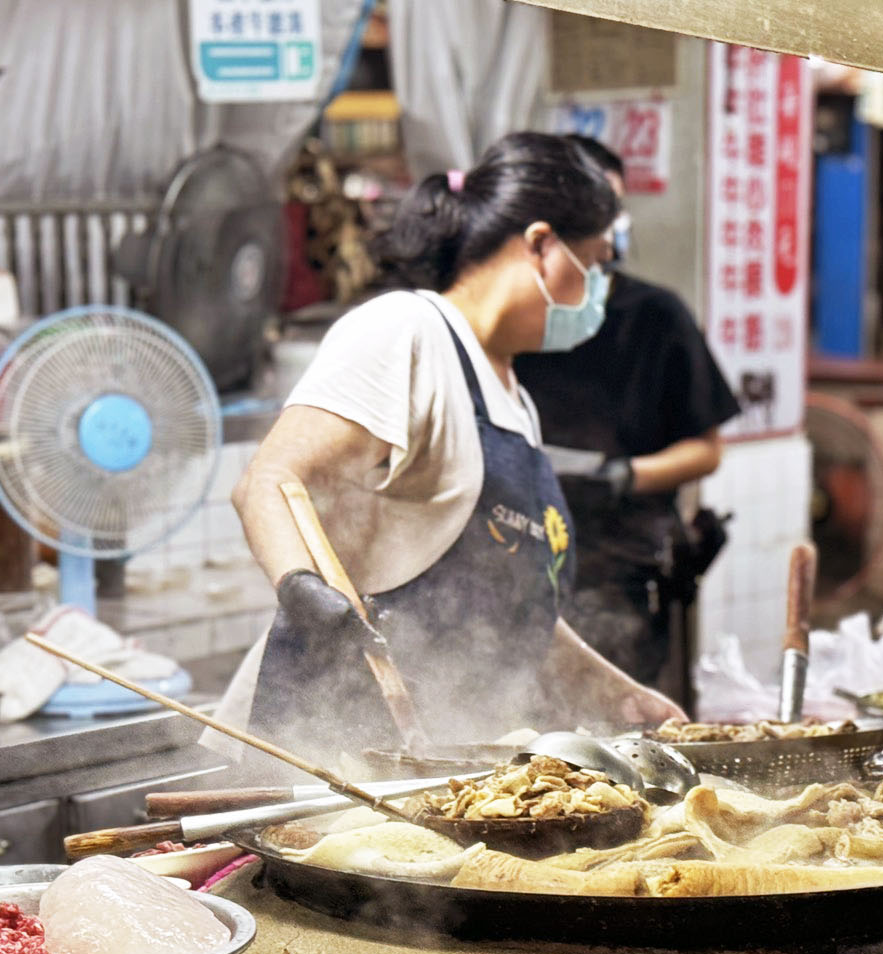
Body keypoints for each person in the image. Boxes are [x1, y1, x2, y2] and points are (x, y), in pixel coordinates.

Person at [224, 132, 682, 758]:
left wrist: (613, 692)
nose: (601, 286)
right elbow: (268, 483)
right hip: (329, 747)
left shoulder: (513, 400)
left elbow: (509, 610)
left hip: (443, 754)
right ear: (542, 245)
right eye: (595, 261)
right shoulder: (407, 331)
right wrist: (310, 600)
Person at [515, 137, 740, 687]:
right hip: (519, 559)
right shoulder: (517, 320)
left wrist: (621, 477)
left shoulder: (656, 315)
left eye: (609, 206)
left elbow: (706, 449)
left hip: (621, 561)